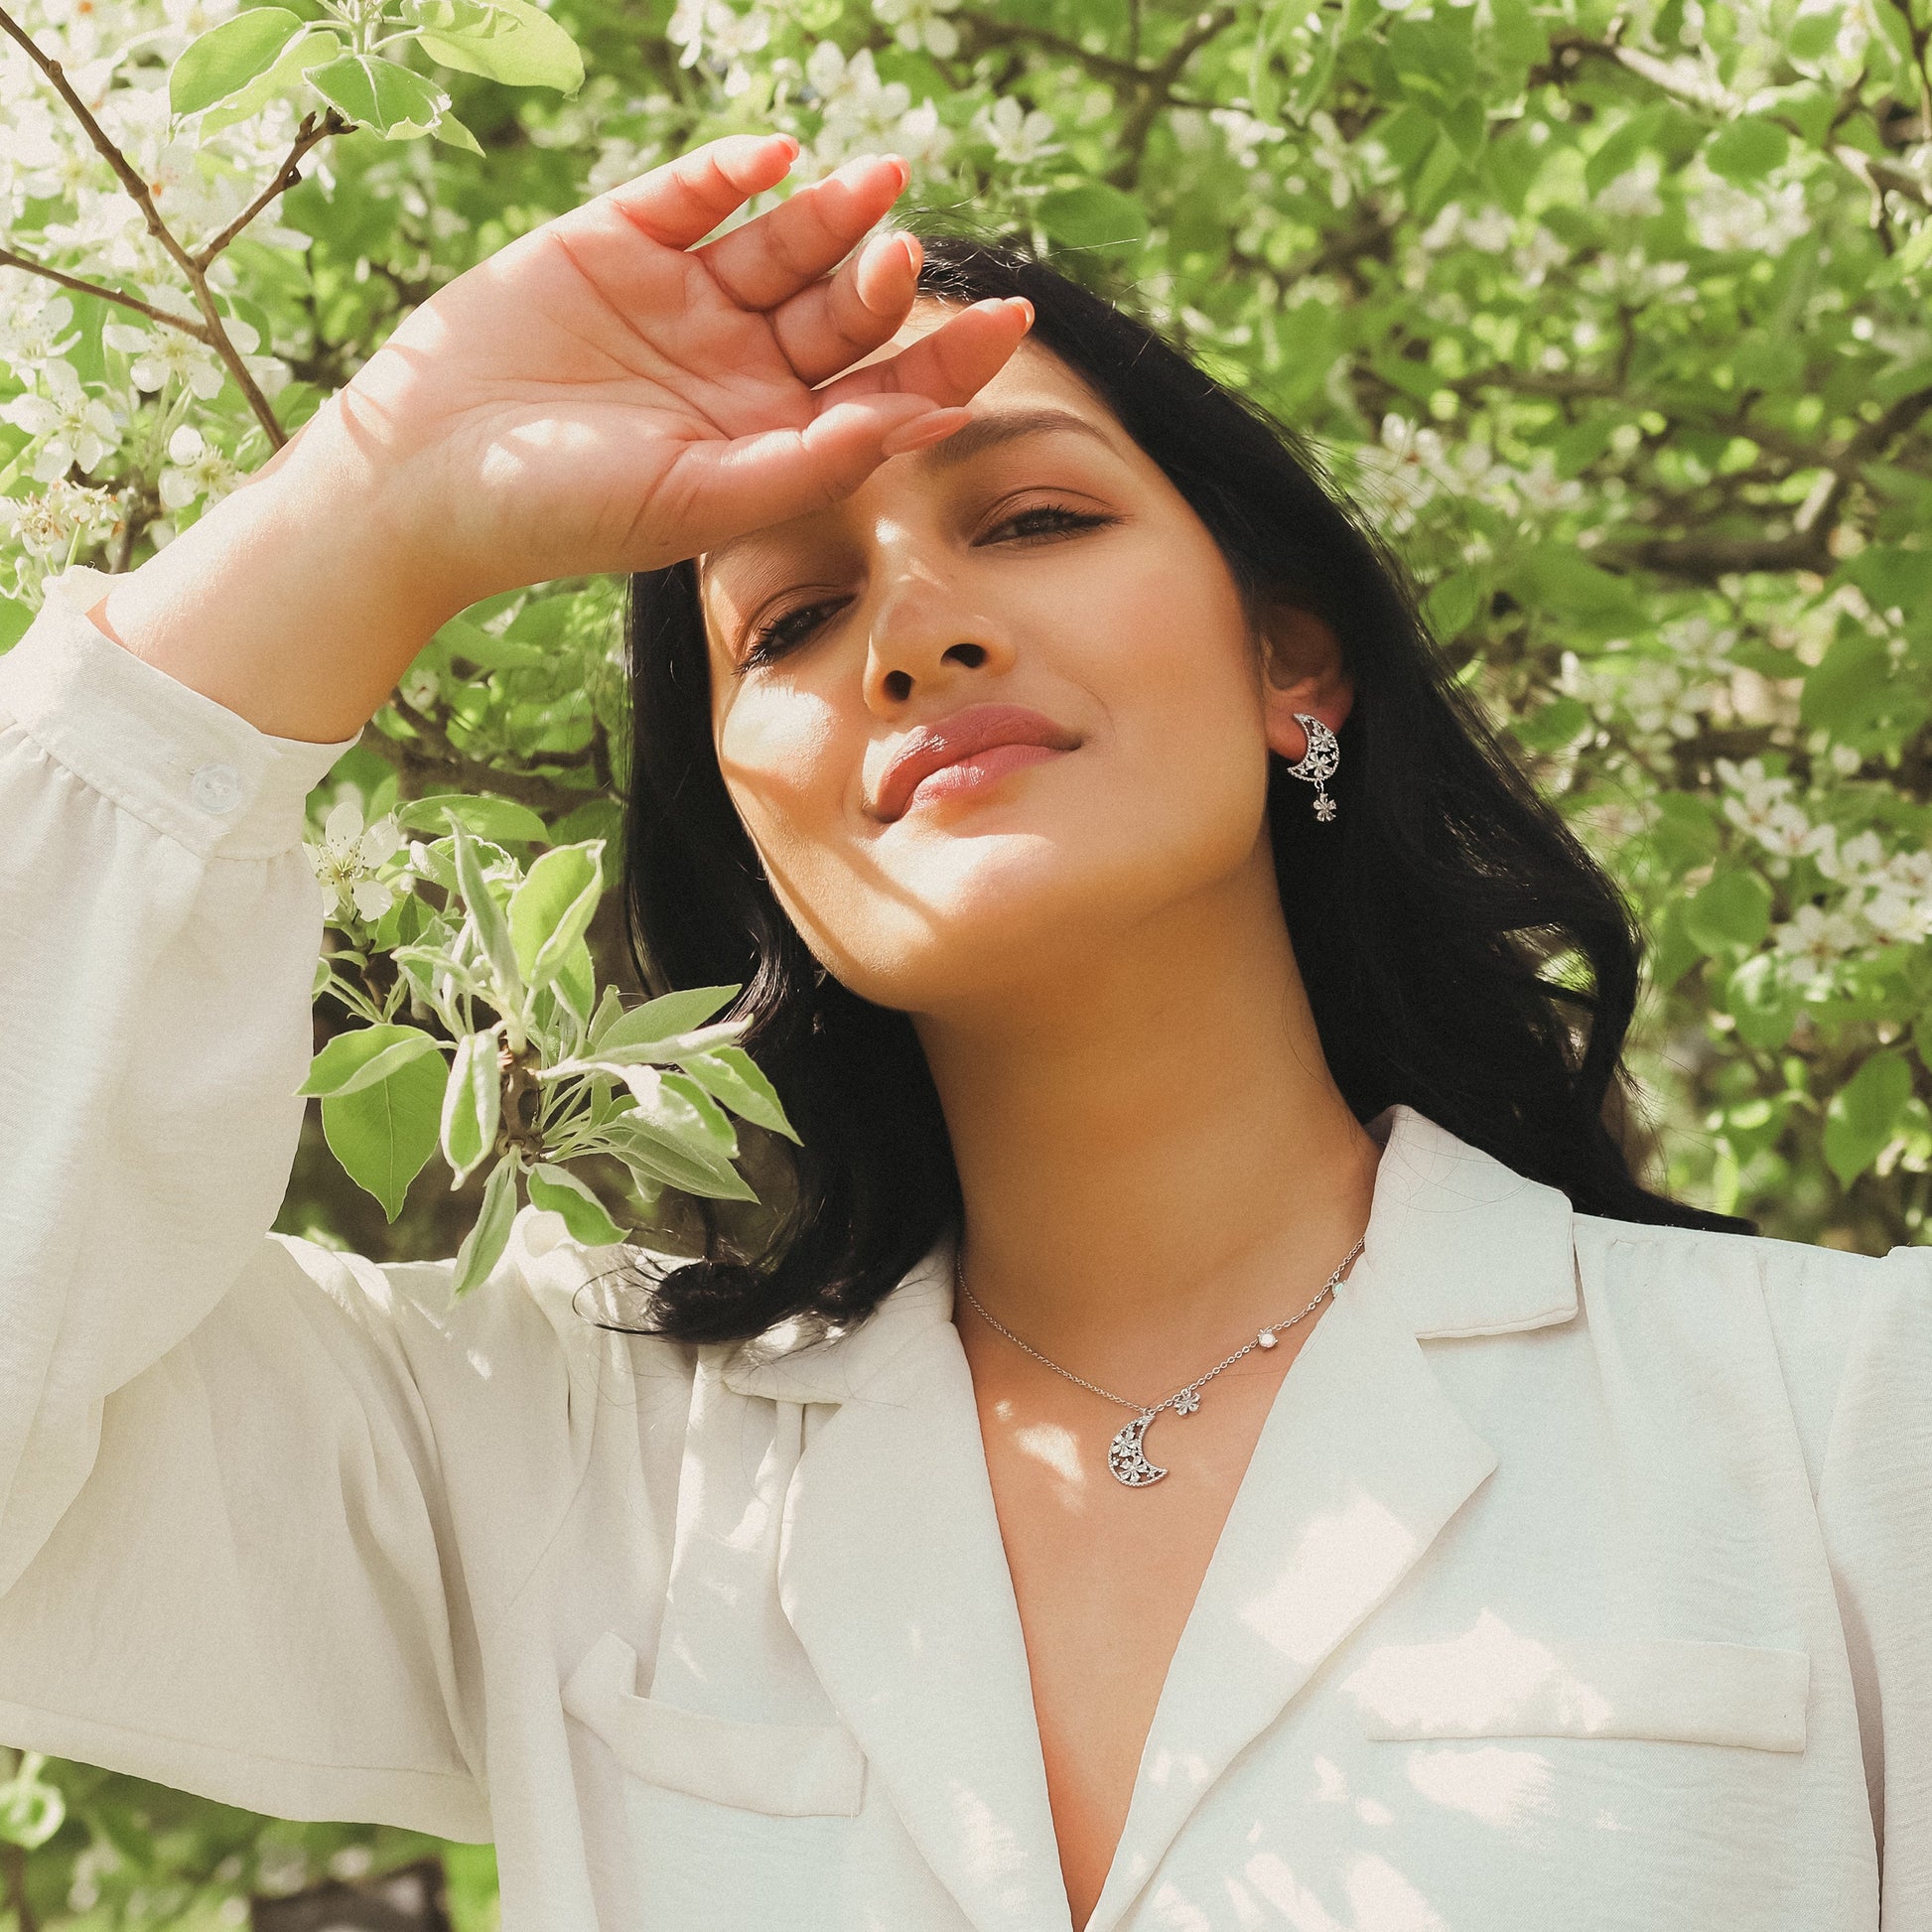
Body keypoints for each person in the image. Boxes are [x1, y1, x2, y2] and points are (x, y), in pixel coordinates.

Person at [0, 131, 1925, 1932]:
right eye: (791, 621)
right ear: (753, 828)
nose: (916, 628)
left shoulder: (1840, 1419)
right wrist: (377, 497)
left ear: (1289, 662)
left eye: (1032, 515)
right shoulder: (548, 1460)